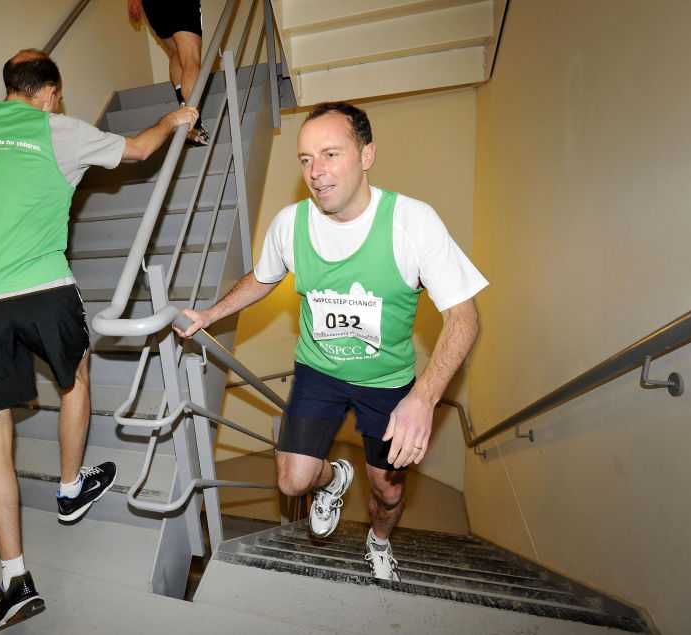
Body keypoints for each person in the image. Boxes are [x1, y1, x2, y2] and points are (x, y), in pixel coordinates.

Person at [0, 49, 198, 631]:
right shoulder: (58, 130)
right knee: (74, 377)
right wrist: (174, 119)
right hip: (43, 288)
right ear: (52, 92)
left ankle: (14, 578)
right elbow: (137, 150)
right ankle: (70, 487)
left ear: (8, 87)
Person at [176, 102, 486, 582]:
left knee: (387, 491)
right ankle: (335, 478)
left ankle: (379, 542)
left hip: (387, 381)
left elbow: (464, 318)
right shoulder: (290, 224)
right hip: (318, 370)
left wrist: (423, 398)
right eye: (305, 160)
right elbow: (262, 277)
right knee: (293, 479)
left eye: (330, 154)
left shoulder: (412, 223)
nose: (316, 172)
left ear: (366, 155)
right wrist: (210, 314)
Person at [128, 0, 211, 146]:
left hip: (152, 6)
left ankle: (184, 110)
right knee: (190, 58)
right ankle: (195, 126)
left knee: (175, 51)